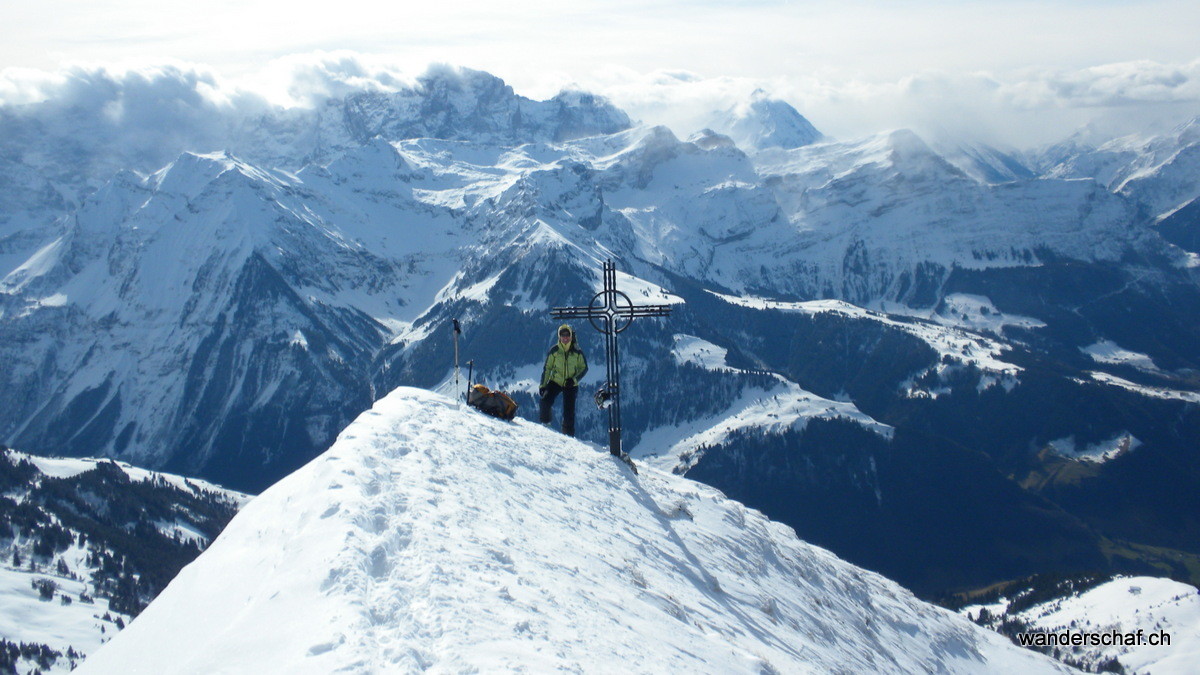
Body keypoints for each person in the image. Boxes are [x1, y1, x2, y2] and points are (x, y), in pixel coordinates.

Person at [539, 324, 588, 437]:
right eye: (563, 335)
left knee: (568, 413)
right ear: (559, 337)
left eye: (567, 335)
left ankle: (568, 437)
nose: (565, 338)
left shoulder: (577, 352)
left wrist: (574, 379)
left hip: (571, 384)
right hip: (556, 381)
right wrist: (543, 385)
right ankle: (545, 427)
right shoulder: (554, 351)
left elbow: (584, 368)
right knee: (545, 401)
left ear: (571, 336)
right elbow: (547, 368)